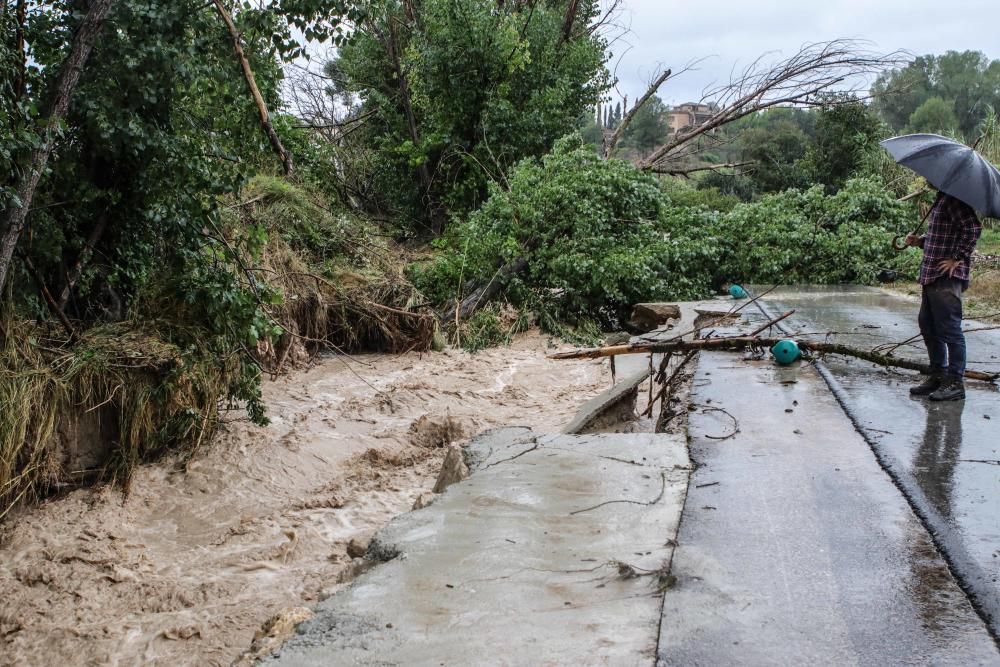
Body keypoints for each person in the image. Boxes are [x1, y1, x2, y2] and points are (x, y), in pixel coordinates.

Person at [904, 191, 982, 401]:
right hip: (931, 275)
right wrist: (918, 241)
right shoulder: (942, 198)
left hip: (946, 276)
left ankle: (955, 382)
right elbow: (940, 236)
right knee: (928, 325)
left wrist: (957, 258)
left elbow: (973, 229)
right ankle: (938, 375)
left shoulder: (954, 198)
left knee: (949, 329)